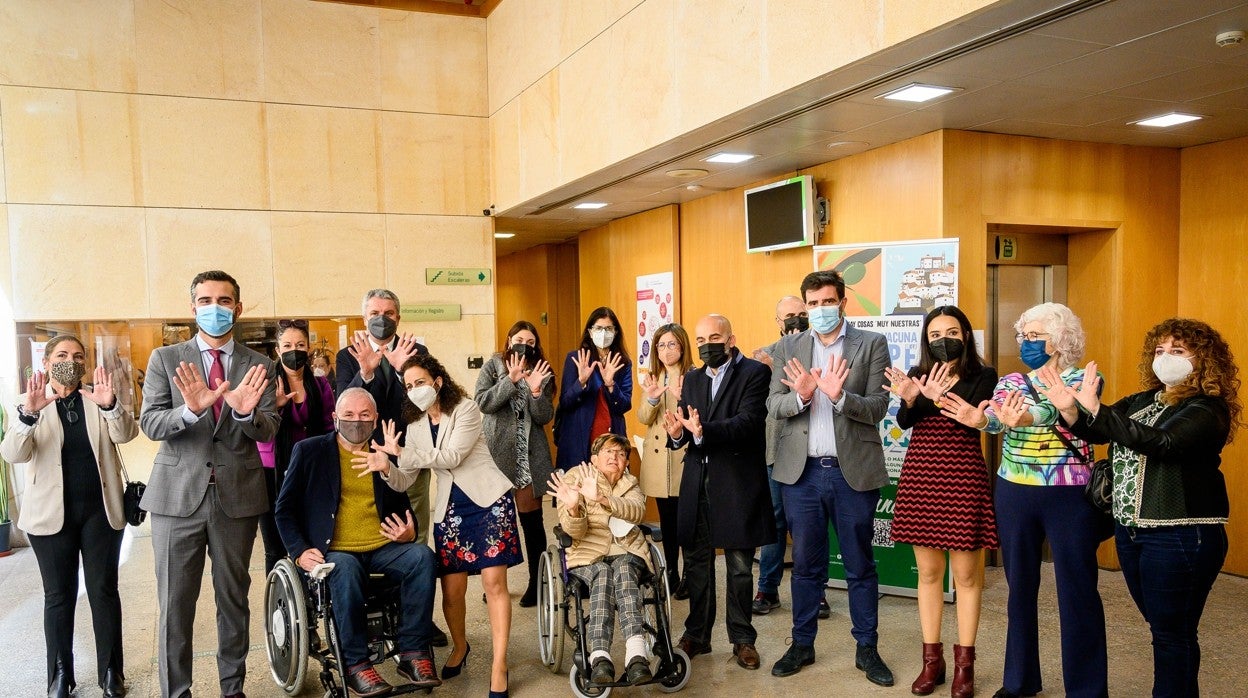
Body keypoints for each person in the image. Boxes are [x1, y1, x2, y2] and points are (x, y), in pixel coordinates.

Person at [1045, 318, 1239, 698]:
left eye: (1178, 351)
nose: (1165, 358)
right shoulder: (1143, 400)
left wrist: (1096, 411)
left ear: (1204, 360)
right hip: (1133, 530)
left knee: (1172, 634)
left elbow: (1163, 443)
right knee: (1166, 628)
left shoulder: (1208, 408)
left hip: (1181, 534)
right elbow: (1098, 428)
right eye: (1160, 351)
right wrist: (1071, 411)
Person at [939, 302, 1107, 698]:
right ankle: (1019, 681)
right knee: (1020, 591)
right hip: (1015, 492)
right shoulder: (1013, 380)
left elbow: (1055, 411)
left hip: (1070, 495)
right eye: (1023, 335)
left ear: (1061, 339)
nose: (1025, 342)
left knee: (1077, 590)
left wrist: (1026, 419)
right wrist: (979, 420)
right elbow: (997, 417)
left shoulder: (1084, 380)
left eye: (1035, 336)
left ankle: (1086, 690)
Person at [138, 270, 279, 698]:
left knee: (233, 599)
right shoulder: (165, 359)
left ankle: (232, 688)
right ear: (192, 306)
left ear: (238, 306)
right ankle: (176, 691)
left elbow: (268, 428)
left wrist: (240, 414)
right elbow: (150, 422)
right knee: (175, 605)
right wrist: (191, 411)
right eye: (205, 300)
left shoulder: (261, 365)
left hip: (236, 498)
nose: (214, 308)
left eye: (223, 300)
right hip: (175, 499)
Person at [766, 270, 894, 686]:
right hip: (800, 475)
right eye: (813, 303)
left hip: (850, 472)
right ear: (805, 306)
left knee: (859, 564)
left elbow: (877, 407)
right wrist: (802, 395)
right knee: (805, 565)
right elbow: (773, 403)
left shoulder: (871, 344)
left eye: (828, 301)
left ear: (843, 302)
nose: (820, 309)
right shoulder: (788, 346)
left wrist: (839, 396)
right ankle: (802, 643)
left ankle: (867, 648)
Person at [274, 387, 441, 697]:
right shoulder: (310, 451)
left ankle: (413, 653)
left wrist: (408, 532)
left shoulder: (381, 455)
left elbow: (405, 508)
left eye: (365, 415)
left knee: (422, 557)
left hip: (382, 547)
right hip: (335, 550)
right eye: (349, 415)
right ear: (335, 418)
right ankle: (355, 664)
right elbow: (283, 510)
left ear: (375, 419)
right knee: (346, 568)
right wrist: (298, 552)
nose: (357, 421)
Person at [2, 335, 138, 698]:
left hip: (100, 512)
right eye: (61, 355)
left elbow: (127, 434)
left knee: (103, 591)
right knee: (58, 596)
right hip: (50, 518)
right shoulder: (26, 402)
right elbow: (13, 453)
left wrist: (111, 407)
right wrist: (28, 415)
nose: (70, 361)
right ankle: (60, 674)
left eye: (77, 356)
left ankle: (111, 672)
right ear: (46, 363)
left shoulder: (98, 397)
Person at [382, 354, 521, 698]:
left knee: (494, 584)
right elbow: (405, 480)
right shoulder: (413, 428)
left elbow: (452, 457)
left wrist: (403, 454)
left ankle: (498, 664)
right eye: (409, 386)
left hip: (488, 502)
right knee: (453, 593)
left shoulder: (467, 410)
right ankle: (461, 646)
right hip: (451, 509)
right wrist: (386, 466)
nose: (416, 390)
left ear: (438, 381)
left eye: (421, 382)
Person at [884, 306, 999, 698]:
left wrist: (936, 397)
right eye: (934, 334)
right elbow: (905, 421)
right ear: (926, 339)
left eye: (950, 331)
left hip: (962, 477)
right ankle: (932, 661)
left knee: (966, 578)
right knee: (929, 575)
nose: (942, 339)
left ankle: (965, 663)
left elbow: (968, 419)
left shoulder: (984, 375)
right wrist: (912, 399)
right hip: (921, 476)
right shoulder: (917, 373)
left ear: (965, 335)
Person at [663, 314, 774, 671]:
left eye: (714, 337)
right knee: (697, 563)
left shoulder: (755, 373)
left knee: (740, 567)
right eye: (699, 339)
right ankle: (697, 634)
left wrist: (700, 431)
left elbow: (747, 423)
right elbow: (684, 432)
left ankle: (742, 638)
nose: (706, 344)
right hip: (697, 483)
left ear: (730, 338)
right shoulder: (692, 379)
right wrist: (678, 434)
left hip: (737, 484)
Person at [546, 434, 654, 685]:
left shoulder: (631, 483)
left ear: (627, 461)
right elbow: (574, 533)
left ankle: (636, 656)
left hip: (627, 551)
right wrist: (574, 508)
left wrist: (602, 499)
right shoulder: (576, 477)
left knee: (625, 569)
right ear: (594, 458)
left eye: (621, 454)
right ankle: (600, 656)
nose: (615, 457)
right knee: (603, 573)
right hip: (587, 555)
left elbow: (637, 512)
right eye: (609, 452)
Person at [752, 296, 830, 618]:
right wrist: (766, 371)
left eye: (802, 313)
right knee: (773, 521)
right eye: (789, 316)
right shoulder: (762, 357)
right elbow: (758, 407)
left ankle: (818, 593)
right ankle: (767, 589)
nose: (796, 319)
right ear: (778, 322)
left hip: (812, 452)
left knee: (811, 527)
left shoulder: (822, 350)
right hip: (775, 451)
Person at [474, 320, 556, 607]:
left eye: (531, 341)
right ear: (509, 340)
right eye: (520, 339)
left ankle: (538, 582)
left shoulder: (543, 369)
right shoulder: (494, 364)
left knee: (532, 523)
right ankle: (495, 584)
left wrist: (535, 391)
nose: (525, 345)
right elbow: (483, 402)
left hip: (528, 454)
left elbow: (545, 415)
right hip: (497, 453)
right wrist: (510, 380)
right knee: (497, 522)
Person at [335, 289, 429, 540]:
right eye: (374, 313)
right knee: (374, 525)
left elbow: (426, 402)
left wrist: (401, 371)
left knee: (414, 526)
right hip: (367, 452)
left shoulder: (416, 351)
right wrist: (365, 372)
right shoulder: (348, 355)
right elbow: (344, 405)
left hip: (410, 449)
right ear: (364, 318)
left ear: (398, 318)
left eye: (388, 313)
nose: (381, 318)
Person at [256, 319, 335, 575]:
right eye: (287, 345)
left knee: (308, 538)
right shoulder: (266, 384)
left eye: (300, 344)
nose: (294, 350)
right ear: (277, 351)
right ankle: (277, 602)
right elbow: (257, 430)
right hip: (271, 470)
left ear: (308, 348)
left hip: (309, 469)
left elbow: (328, 427)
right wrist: (276, 408)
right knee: (275, 545)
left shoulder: (320, 384)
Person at [636, 322, 692, 598]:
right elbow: (643, 418)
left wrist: (683, 397)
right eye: (660, 345)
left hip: (685, 457)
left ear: (682, 346)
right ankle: (671, 570)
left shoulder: (694, 375)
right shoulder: (652, 378)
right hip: (659, 461)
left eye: (671, 344)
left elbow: (700, 415)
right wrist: (653, 398)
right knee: (667, 523)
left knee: (688, 522)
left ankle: (691, 573)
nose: (666, 350)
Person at [554, 307, 633, 472]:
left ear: (616, 332)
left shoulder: (623, 362)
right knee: (577, 491)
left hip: (611, 439)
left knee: (610, 493)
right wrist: (581, 382)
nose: (603, 333)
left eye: (608, 328)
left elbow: (624, 405)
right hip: (578, 437)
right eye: (598, 328)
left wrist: (611, 384)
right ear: (590, 332)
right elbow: (565, 402)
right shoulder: (576, 358)